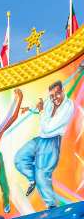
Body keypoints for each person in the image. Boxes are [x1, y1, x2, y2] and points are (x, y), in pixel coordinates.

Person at [16, 81, 75, 209]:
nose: (55, 98)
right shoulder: (50, 101)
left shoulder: (68, 107)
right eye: (52, 96)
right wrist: (31, 109)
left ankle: (52, 206)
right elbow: (41, 108)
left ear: (63, 91)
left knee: (42, 175)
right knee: (19, 158)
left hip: (51, 142)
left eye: (57, 94)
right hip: (40, 139)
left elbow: (48, 128)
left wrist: (42, 111)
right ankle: (33, 179)